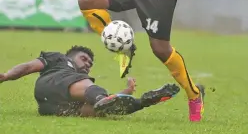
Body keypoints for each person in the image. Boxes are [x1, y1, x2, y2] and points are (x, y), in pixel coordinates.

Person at [0, 45, 180, 117]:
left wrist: (126, 92)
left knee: (100, 111)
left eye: (90, 63)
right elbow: (29, 66)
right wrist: (7, 75)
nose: (87, 64)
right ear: (71, 56)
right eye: (84, 59)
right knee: (95, 93)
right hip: (52, 84)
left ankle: (143, 102)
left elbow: (108, 102)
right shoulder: (60, 60)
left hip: (50, 107)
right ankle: (120, 100)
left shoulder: (80, 81)